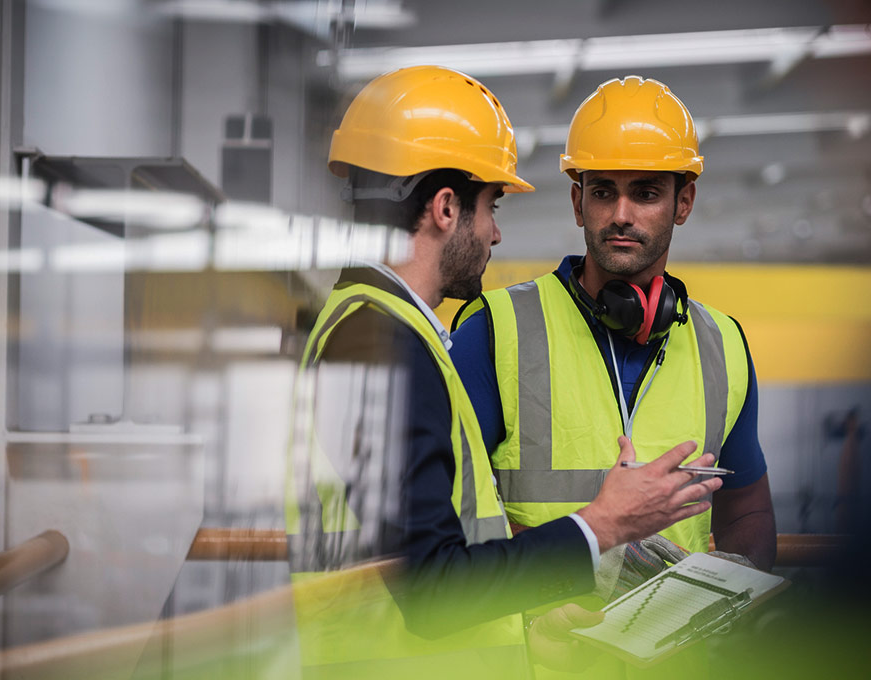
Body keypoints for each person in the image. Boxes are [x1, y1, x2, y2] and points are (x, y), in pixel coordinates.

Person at [286, 65, 724, 680]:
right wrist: (601, 526)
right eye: (490, 205)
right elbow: (432, 590)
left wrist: (530, 637)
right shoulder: (382, 343)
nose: (495, 231)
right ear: (445, 208)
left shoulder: (376, 330)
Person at [451, 75, 776, 571]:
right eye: (603, 191)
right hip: (539, 641)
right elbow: (454, 512)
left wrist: (732, 591)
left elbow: (748, 508)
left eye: (645, 193)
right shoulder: (494, 331)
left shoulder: (723, 346)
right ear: (578, 201)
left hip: (673, 643)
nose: (621, 214)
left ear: (683, 202)